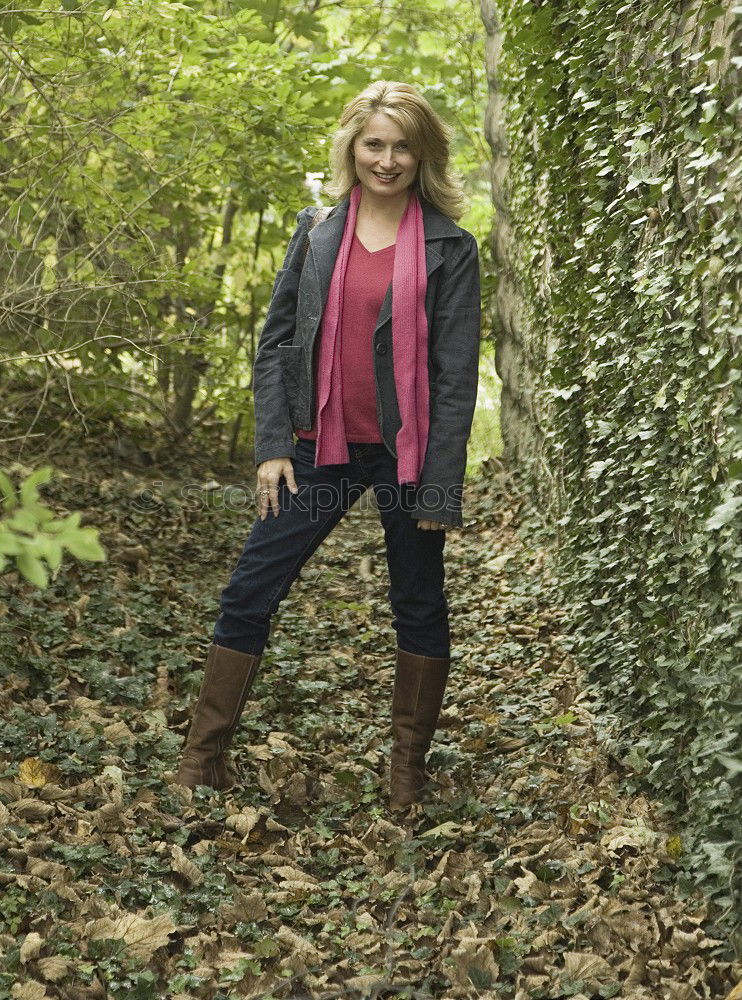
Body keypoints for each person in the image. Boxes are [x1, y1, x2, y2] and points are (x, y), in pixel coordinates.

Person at [172, 80, 481, 812]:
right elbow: (277, 342)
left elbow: (455, 374)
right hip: (319, 443)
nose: (388, 158)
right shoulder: (315, 231)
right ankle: (202, 760)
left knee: (418, 603)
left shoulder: (450, 248)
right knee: (250, 590)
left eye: (403, 145)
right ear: (352, 147)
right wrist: (273, 445)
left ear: (423, 154)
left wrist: (440, 489)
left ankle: (407, 776)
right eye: (374, 143)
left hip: (409, 452)